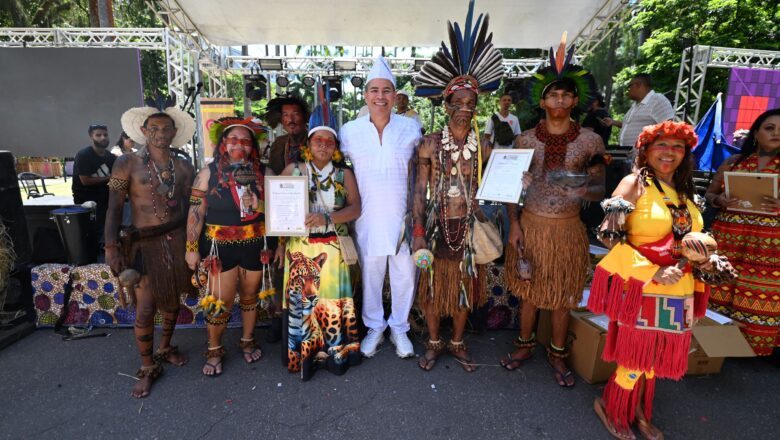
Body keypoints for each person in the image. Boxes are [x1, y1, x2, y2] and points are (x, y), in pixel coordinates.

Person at [587, 121, 713, 439]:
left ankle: (639, 410)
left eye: (678, 147)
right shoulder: (634, 184)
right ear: (646, 150)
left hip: (681, 288)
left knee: (654, 360)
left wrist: (706, 257)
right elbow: (607, 235)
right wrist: (652, 270)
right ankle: (613, 407)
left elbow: (689, 237)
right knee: (634, 359)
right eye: (662, 145)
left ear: (686, 154)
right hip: (642, 285)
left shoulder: (685, 192)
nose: (669, 152)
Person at [501, 37, 606, 388]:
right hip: (530, 225)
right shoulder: (525, 140)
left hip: (567, 229)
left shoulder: (591, 141)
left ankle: (558, 353)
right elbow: (509, 189)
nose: (559, 101)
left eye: (565, 95)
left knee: (562, 295)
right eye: (552, 95)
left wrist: (581, 188)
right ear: (542, 101)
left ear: (575, 100)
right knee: (529, 292)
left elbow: (601, 188)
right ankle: (524, 345)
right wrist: (513, 224)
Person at [412, 1, 503, 372]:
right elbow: (419, 191)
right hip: (435, 228)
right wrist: (418, 231)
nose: (464, 107)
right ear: (446, 103)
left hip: (467, 229)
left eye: (471, 101)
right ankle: (433, 342)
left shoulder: (484, 145)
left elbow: (494, 187)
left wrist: (517, 180)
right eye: (458, 101)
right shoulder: (430, 143)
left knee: (466, 288)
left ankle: (458, 341)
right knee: (433, 289)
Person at [105, 95, 196, 398]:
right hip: (144, 244)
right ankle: (147, 366)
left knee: (172, 300)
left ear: (173, 132)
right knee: (145, 308)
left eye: (166, 128)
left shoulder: (184, 167)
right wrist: (111, 246)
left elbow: (193, 208)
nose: (160, 133)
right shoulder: (125, 163)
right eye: (153, 128)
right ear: (144, 130)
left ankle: (166, 347)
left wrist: (196, 243)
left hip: (177, 238)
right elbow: (114, 208)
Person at [275, 88, 363, 380]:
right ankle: (306, 357)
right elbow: (278, 210)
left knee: (331, 305)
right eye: (318, 140)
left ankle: (336, 354)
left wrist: (327, 217)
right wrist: (278, 243)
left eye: (329, 141)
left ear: (335, 146)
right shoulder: (293, 170)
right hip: (300, 250)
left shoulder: (343, 174)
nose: (323, 145)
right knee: (305, 305)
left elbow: (355, 209)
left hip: (332, 250)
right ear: (308, 143)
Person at [339, 56, 422, 359]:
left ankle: (399, 327)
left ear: (395, 95)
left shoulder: (411, 128)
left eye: (386, 90)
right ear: (365, 95)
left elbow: (423, 169)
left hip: (402, 217)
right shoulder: (349, 131)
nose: (380, 97)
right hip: (368, 217)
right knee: (372, 274)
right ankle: (374, 327)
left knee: (404, 275)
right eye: (374, 90)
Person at [185, 117, 269, 376]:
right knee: (219, 301)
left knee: (250, 298)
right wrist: (191, 246)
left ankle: (247, 340)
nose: (239, 145)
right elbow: (196, 211)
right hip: (219, 248)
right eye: (233, 140)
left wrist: (260, 205)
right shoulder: (207, 174)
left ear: (252, 146)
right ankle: (214, 349)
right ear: (223, 143)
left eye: (245, 141)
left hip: (255, 244)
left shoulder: (264, 174)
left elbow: (279, 212)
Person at [706, 108, 780, 357]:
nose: (776, 134)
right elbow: (709, 194)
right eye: (770, 128)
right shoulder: (733, 162)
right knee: (720, 288)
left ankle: (752, 352)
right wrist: (720, 200)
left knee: (762, 293)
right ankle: (717, 346)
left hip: (769, 247)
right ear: (756, 133)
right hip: (728, 238)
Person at [602, 74, 674, 148]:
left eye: (629, 86)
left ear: (639, 85)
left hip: (645, 155)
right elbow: (629, 125)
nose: (628, 90)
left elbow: (668, 127)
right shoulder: (635, 105)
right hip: (629, 154)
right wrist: (613, 122)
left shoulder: (657, 99)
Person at [73, 123, 116, 241]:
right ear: (91, 137)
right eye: (98, 135)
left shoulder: (111, 157)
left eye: (105, 135)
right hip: (87, 203)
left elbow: (116, 180)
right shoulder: (84, 155)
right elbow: (85, 181)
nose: (103, 137)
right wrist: (110, 178)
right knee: (92, 234)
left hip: (106, 200)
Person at [266, 94, 311, 175]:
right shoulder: (278, 143)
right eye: (285, 115)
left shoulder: (314, 141)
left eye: (295, 114)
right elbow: (273, 173)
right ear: (281, 119)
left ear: (304, 117)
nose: (290, 120)